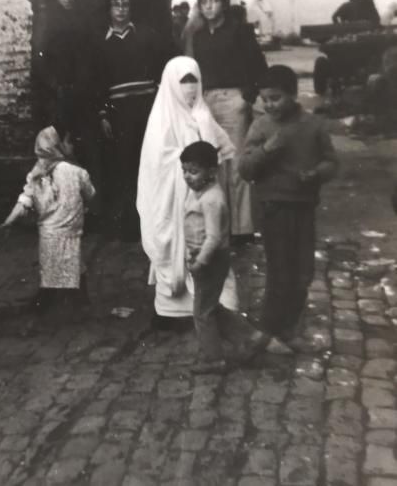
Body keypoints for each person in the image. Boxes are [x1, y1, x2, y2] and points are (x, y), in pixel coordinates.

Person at [241, 65, 338, 349]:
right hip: (273, 209)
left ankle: (287, 328)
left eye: (276, 98)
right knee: (280, 273)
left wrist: (317, 173)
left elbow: (332, 162)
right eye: (264, 99)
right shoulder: (260, 127)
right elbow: (245, 169)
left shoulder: (313, 125)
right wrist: (268, 150)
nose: (269, 105)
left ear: (293, 95)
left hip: (303, 207)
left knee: (303, 273)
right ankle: (267, 331)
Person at [137, 56, 240, 321]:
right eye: (184, 82)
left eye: (194, 80)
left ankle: (217, 309)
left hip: (203, 200)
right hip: (174, 201)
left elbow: (223, 149)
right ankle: (175, 311)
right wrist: (187, 165)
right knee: (177, 248)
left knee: (209, 247)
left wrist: (207, 144)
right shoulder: (162, 120)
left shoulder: (204, 115)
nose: (190, 88)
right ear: (172, 84)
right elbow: (157, 164)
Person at [189, 0, 268, 243]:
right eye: (205, 1)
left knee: (236, 164)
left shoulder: (239, 31)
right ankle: (221, 227)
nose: (210, 5)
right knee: (215, 163)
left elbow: (258, 65)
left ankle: (242, 228)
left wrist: (246, 97)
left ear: (224, 3)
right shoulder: (198, 36)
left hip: (233, 98)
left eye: (215, 0)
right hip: (208, 101)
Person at [0, 125, 95, 314]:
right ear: (58, 146)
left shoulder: (36, 174)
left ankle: (51, 300)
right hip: (70, 231)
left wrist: (8, 222)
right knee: (74, 263)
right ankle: (74, 302)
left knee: (51, 267)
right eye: (68, 142)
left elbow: (24, 203)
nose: (72, 146)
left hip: (49, 232)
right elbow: (90, 194)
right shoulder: (76, 172)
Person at [97, 0, 168, 241]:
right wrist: (104, 115)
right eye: (116, 4)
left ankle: (154, 219)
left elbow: (162, 72)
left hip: (146, 109)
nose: (121, 9)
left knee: (149, 163)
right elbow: (98, 83)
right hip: (119, 113)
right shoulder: (102, 43)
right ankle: (130, 223)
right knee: (124, 166)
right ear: (108, 8)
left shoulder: (146, 36)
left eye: (125, 4)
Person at [181, 141, 256, 373]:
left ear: (211, 172)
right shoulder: (199, 193)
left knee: (202, 312)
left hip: (210, 260)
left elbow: (213, 237)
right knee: (211, 306)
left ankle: (214, 358)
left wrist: (200, 262)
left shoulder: (212, 199)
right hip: (201, 257)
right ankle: (248, 338)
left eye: (193, 171)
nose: (187, 177)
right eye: (184, 171)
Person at [40, 0, 102, 217]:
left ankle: (92, 213)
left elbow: (92, 61)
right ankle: (66, 212)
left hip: (84, 98)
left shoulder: (84, 22)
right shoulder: (47, 24)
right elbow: (42, 65)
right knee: (62, 156)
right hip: (59, 99)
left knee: (88, 154)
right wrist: (57, 89)